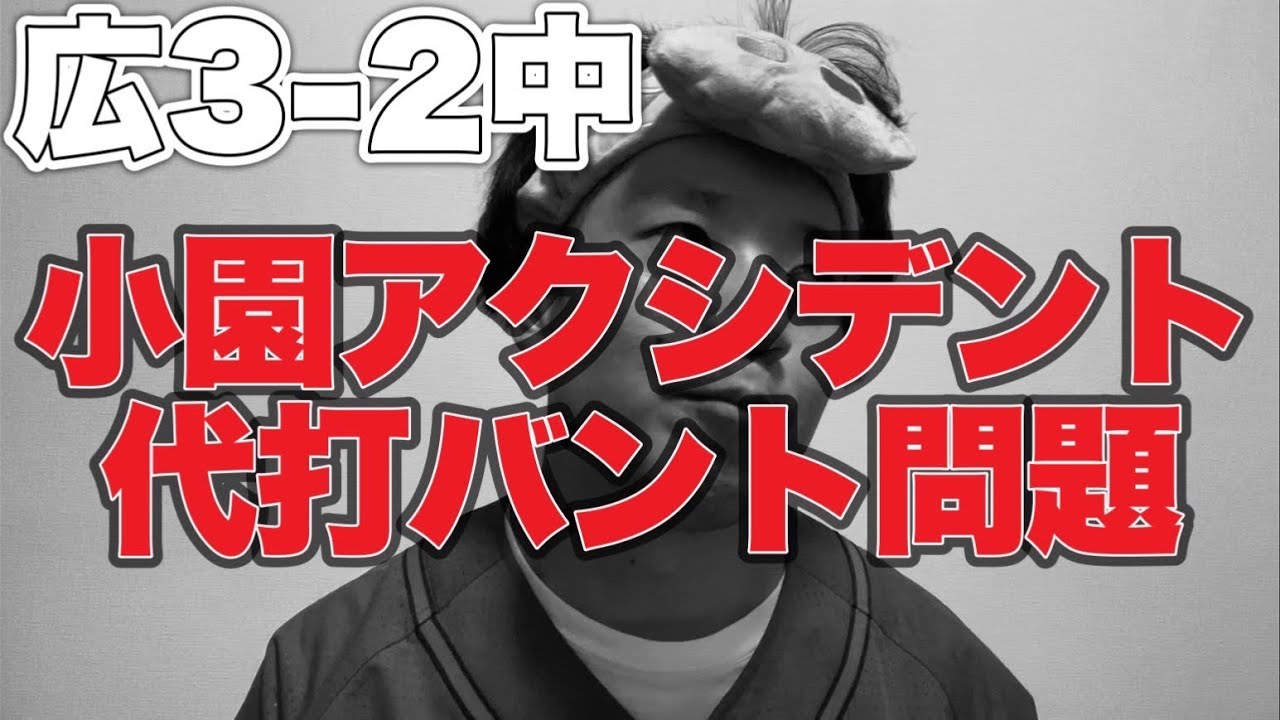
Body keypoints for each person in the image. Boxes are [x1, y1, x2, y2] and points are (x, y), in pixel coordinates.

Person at [237, 3, 1037, 718]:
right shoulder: (327, 685)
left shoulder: (954, 694)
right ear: (542, 290)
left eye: (814, 279)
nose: (757, 318)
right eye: (684, 245)